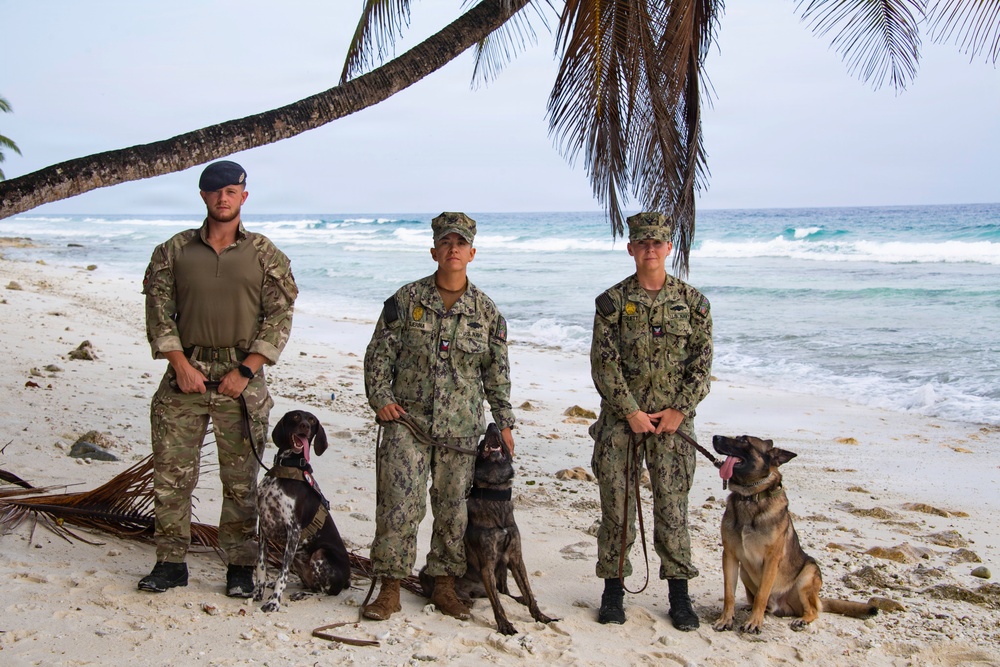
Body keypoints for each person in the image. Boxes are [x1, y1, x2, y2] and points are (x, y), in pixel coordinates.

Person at [138, 160, 298, 597]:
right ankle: (170, 562)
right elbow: (158, 314)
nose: (223, 198)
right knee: (172, 475)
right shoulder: (172, 251)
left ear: (244, 195)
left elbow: (280, 316)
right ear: (203, 196)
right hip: (183, 377)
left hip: (241, 381)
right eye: (215, 192)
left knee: (241, 480)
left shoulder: (265, 254)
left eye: (231, 191)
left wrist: (246, 371)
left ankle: (240, 568)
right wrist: (180, 365)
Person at [362, 212, 515, 621]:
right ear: (434, 250)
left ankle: (443, 584)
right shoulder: (406, 300)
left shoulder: (486, 311)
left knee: (454, 509)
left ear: (472, 253)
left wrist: (504, 423)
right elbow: (379, 355)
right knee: (399, 505)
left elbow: (496, 374)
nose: (453, 249)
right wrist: (381, 399)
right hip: (407, 424)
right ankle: (390, 587)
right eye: (446, 242)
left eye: (460, 243)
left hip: (461, 430)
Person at [589, 211, 713, 630]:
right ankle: (612, 593)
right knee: (617, 511)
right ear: (630, 248)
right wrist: (630, 411)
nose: (650, 249)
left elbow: (702, 363)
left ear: (669, 248)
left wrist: (679, 409)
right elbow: (603, 364)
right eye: (642, 242)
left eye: (658, 243)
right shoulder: (610, 303)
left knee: (674, 508)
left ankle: (680, 595)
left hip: (673, 425)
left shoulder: (694, 304)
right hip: (622, 423)